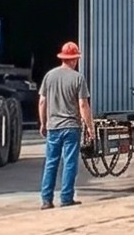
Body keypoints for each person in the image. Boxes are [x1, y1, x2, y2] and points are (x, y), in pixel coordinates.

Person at [38, 41, 94, 209]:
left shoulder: (49, 76)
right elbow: (83, 105)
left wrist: (43, 123)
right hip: (71, 127)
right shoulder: (78, 78)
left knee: (51, 162)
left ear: (63, 58)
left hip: (53, 127)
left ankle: (46, 200)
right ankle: (66, 198)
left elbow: (42, 102)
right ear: (74, 59)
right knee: (70, 163)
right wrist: (90, 127)